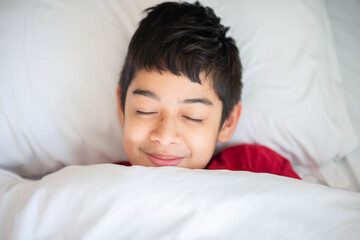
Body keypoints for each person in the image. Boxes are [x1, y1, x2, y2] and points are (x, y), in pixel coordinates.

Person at [116, 1, 300, 179]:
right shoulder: (102, 181)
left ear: (227, 122)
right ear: (122, 106)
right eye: (144, 110)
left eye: (193, 117)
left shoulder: (258, 170)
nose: (165, 137)